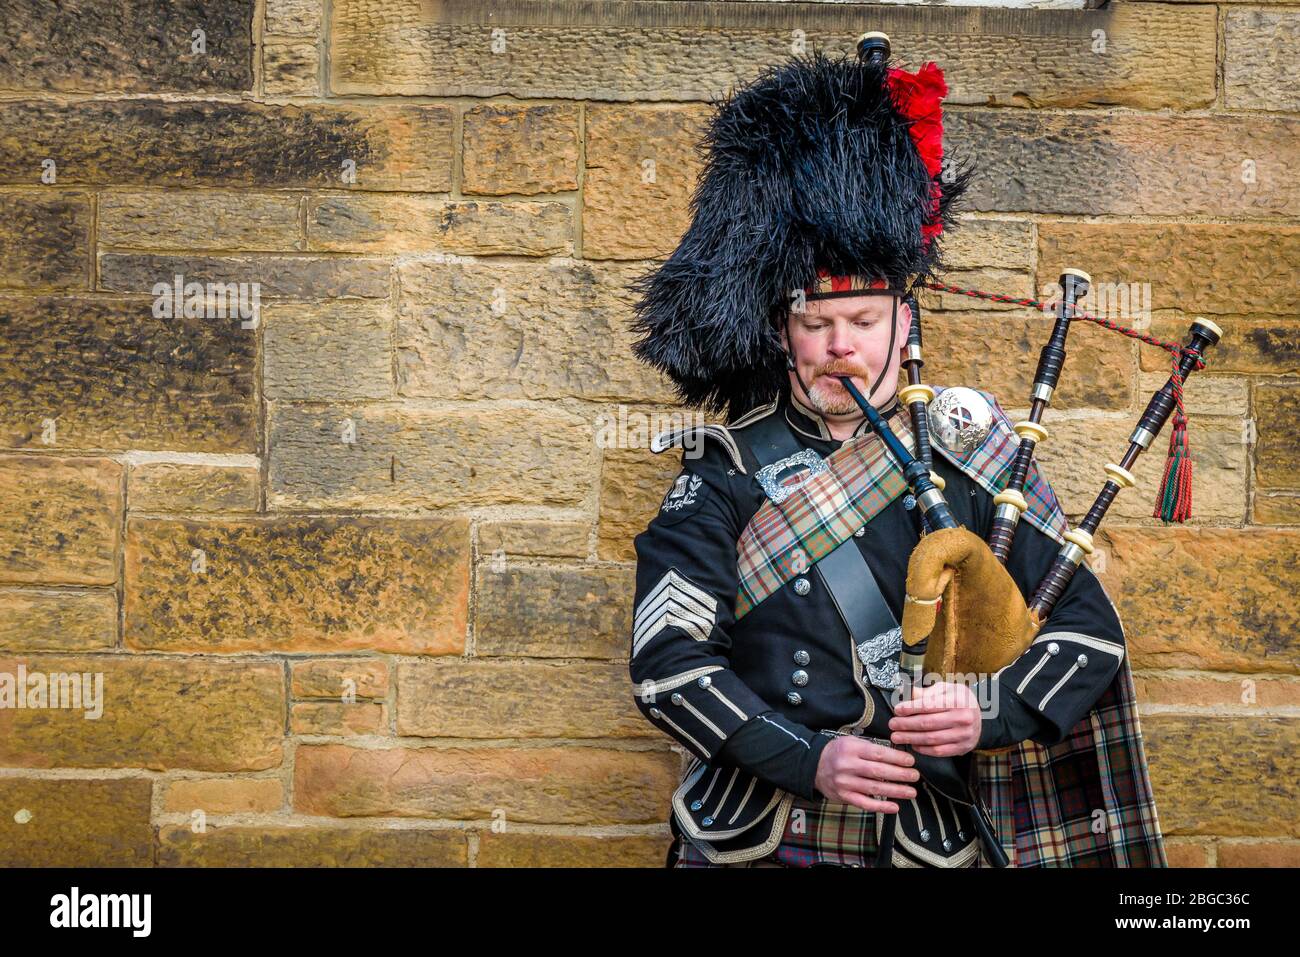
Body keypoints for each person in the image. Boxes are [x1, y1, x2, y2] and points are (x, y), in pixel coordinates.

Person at [625, 35, 1166, 868]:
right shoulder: (722, 469)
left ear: (904, 324)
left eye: (865, 322)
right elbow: (666, 664)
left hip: (920, 845)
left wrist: (988, 711)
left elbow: (1089, 636)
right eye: (817, 322)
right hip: (760, 839)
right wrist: (809, 759)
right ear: (783, 332)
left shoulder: (972, 455)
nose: (841, 346)